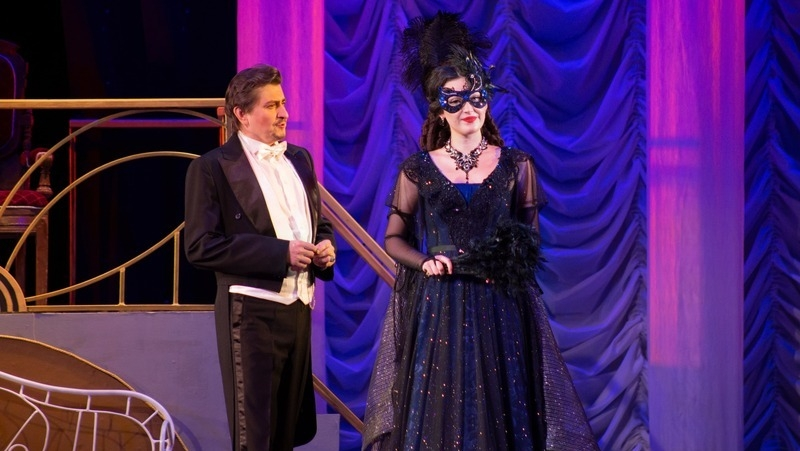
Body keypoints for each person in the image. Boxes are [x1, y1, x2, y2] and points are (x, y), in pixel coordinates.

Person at [362, 12, 598, 450]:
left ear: (488, 99)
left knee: (503, 405)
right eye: (454, 99)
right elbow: (393, 238)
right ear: (439, 109)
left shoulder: (517, 166)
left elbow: (530, 240)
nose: (468, 108)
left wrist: (504, 260)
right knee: (442, 410)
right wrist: (425, 261)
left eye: (476, 96)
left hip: (499, 302)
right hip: (440, 303)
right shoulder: (417, 169)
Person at [184, 64, 336, 451]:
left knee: (287, 433)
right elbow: (200, 246)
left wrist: (324, 247)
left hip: (298, 309)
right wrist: (280, 253)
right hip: (251, 313)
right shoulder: (212, 167)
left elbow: (316, 223)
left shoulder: (299, 159)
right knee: (256, 436)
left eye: (282, 103)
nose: (284, 113)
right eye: (271, 106)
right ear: (241, 114)